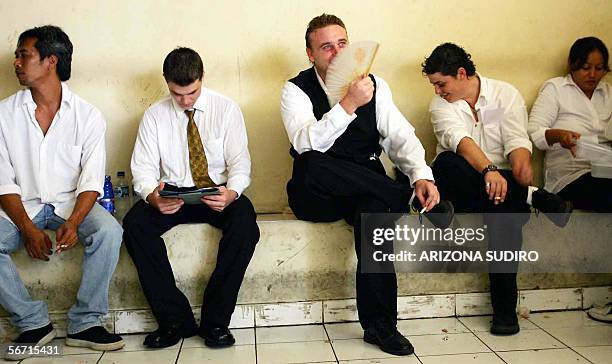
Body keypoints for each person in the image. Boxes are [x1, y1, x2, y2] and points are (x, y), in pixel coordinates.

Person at [280, 14, 453, 356]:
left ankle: (381, 326)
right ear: (310, 53)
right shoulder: (294, 89)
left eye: (342, 43)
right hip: (318, 192)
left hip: (366, 187)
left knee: (375, 216)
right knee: (311, 160)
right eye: (326, 47)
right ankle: (402, 197)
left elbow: (400, 136)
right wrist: (348, 105)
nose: (336, 52)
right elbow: (305, 143)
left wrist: (421, 175)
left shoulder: (375, 84)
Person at [422, 42, 573, 335]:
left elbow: (516, 139)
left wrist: (521, 165)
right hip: (463, 184)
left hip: (500, 186)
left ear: (462, 73)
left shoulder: (505, 94)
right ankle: (533, 197)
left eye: (441, 84)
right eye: (434, 85)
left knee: (504, 213)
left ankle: (505, 314)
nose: (437, 91)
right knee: (446, 164)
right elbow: (460, 142)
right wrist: (490, 171)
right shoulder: (440, 105)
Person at [0, 25, 124, 361]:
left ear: (51, 61)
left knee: (110, 231)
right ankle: (33, 323)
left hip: (71, 202)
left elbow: (91, 181)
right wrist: (27, 228)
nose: (17, 62)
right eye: (17, 56)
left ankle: (85, 323)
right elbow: (3, 183)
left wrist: (74, 220)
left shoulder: (87, 116)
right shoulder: (4, 115)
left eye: (24, 55)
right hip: (20, 205)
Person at [123, 47, 259, 349]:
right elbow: (142, 169)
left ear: (202, 78)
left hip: (217, 192)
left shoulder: (226, 109)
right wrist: (152, 197)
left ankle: (215, 322)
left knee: (246, 222)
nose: (185, 100)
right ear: (166, 82)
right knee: (135, 224)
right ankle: (174, 321)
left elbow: (240, 163)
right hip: (174, 195)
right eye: (177, 93)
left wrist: (232, 193)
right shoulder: (154, 116)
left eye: (192, 92)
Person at [528, 36, 611, 322]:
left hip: (605, 170)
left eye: (599, 68)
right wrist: (559, 136)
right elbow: (535, 133)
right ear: (572, 65)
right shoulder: (556, 89)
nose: (592, 75)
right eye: (586, 67)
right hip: (571, 176)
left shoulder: (607, 93)